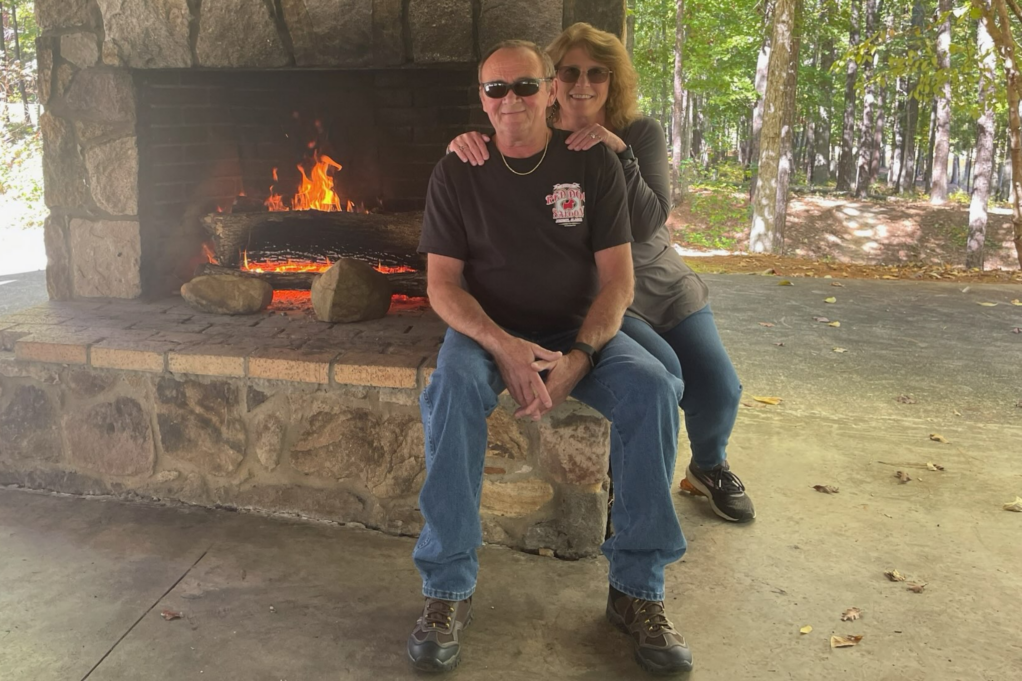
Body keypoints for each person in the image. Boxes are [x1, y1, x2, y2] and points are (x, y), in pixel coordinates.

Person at [408, 39, 693, 675]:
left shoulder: (590, 162)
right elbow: (442, 286)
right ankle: (446, 590)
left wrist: (580, 357)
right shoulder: (458, 168)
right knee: (451, 387)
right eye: (496, 90)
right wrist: (504, 347)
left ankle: (637, 591)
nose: (512, 101)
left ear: (551, 90)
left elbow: (619, 281)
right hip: (486, 333)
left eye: (526, 87)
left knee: (651, 387)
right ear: (482, 101)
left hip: (577, 328)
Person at [449, 23, 755, 524]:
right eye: (569, 71)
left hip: (658, 280)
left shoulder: (637, 135)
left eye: (597, 73)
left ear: (615, 82)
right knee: (664, 380)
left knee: (719, 386)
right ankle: (627, 483)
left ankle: (708, 464)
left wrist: (619, 155)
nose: (582, 83)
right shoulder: (534, 131)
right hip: (609, 294)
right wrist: (467, 143)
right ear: (552, 81)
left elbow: (650, 219)